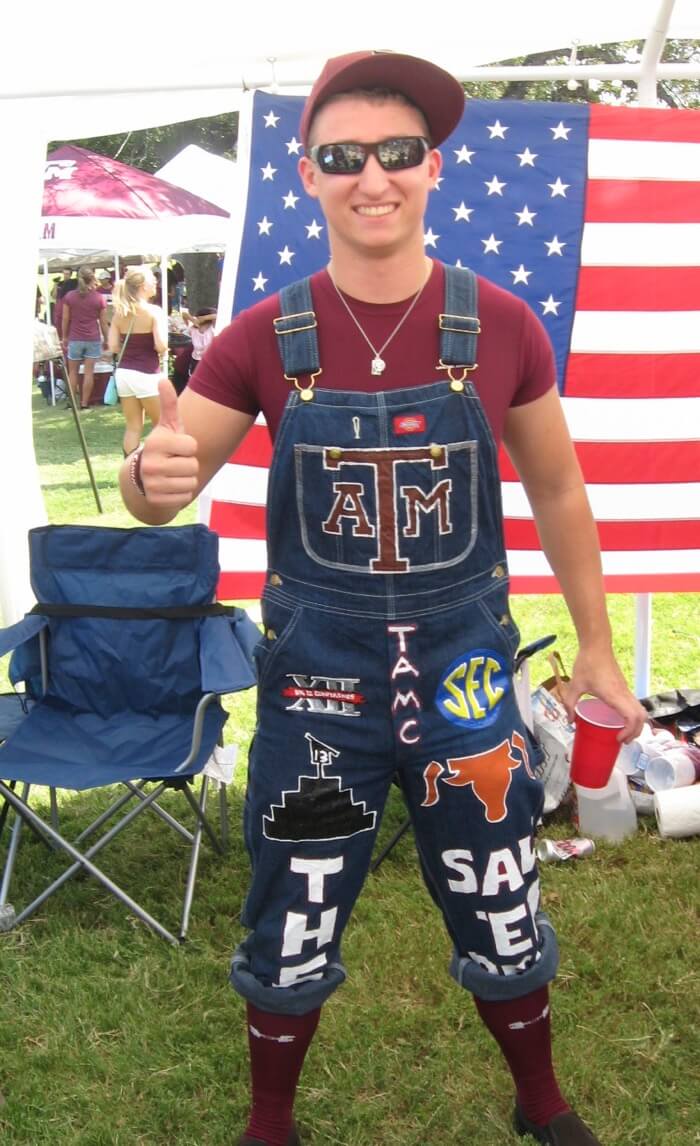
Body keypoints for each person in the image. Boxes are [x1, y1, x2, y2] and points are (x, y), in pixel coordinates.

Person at [119, 50, 647, 1146]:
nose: (373, 176)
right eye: (342, 155)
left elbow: (556, 486)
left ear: (434, 168)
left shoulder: (498, 322)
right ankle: (272, 1121)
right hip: (316, 687)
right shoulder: (264, 336)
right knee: (293, 906)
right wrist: (146, 480)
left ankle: (540, 1100)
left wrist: (595, 648)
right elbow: (164, 489)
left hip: (464, 674)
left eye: (397, 153)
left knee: (502, 891)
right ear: (305, 176)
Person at [108, 265, 167, 456]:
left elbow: (114, 347)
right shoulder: (153, 312)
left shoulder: (120, 313)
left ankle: (129, 469)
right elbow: (160, 345)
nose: (155, 283)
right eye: (152, 281)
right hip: (147, 372)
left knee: (133, 427)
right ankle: (159, 464)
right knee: (162, 424)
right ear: (143, 286)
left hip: (124, 373)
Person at [61, 265, 109, 408]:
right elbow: (103, 323)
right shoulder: (99, 298)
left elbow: (65, 319)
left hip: (75, 337)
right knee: (89, 373)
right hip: (92, 338)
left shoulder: (69, 297)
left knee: (73, 372)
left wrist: (64, 336)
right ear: (92, 278)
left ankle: (72, 402)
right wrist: (106, 339)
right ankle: (84, 403)